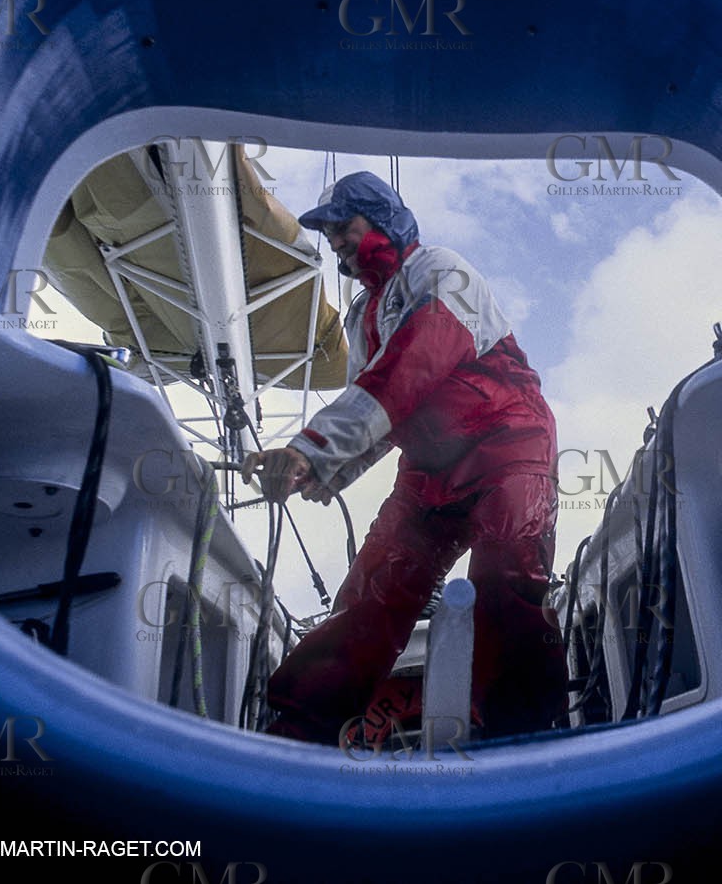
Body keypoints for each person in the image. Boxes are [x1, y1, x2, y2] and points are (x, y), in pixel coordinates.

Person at [240, 170, 568, 745]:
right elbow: (379, 418)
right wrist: (326, 470)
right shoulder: (362, 316)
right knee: (374, 589)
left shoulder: (443, 272)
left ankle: (519, 737)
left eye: (345, 225)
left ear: (383, 220)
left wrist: (309, 449)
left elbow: (408, 372)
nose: (335, 240)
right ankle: (301, 728)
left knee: (507, 579)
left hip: (507, 451)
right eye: (329, 231)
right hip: (428, 473)